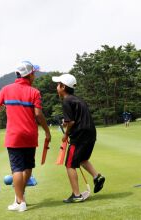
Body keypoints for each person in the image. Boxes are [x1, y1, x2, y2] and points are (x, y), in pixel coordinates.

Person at [0, 61, 51, 212]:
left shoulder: (6, 89)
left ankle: (20, 201)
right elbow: (38, 114)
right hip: (30, 135)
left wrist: (5, 103)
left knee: (17, 169)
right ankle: (20, 198)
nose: (35, 76)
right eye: (34, 74)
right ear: (29, 75)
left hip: (14, 136)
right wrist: (47, 131)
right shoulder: (34, 92)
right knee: (28, 167)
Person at [52, 73, 105, 203]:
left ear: (63, 87)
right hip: (91, 134)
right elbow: (73, 119)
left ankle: (76, 195)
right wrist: (67, 122)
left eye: (58, 85)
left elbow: (71, 122)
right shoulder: (78, 99)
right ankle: (97, 176)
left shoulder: (66, 101)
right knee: (82, 159)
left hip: (79, 136)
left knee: (70, 164)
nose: (56, 87)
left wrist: (65, 134)